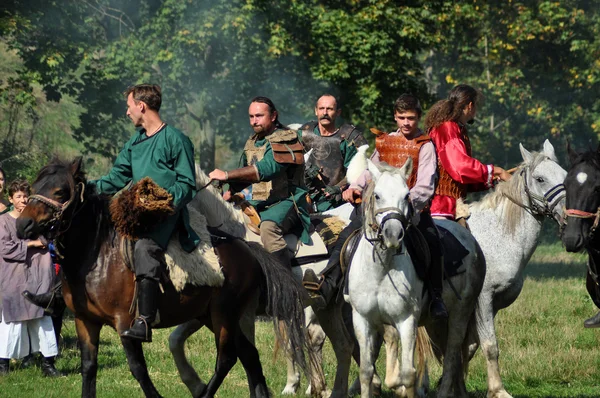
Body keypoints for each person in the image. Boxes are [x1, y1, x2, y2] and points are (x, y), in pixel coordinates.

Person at [303, 94, 448, 319]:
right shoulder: (386, 141)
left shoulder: (425, 146)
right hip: (378, 208)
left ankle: (436, 297)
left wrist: (404, 202)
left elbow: (426, 185)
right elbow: (371, 170)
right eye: (401, 118)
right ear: (395, 118)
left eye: (411, 118)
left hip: (410, 209)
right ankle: (328, 284)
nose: (406, 123)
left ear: (418, 117)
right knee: (347, 234)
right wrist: (356, 187)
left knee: (432, 241)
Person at [92, 84, 199, 342]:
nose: (127, 112)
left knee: (144, 248)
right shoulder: (135, 142)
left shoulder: (176, 139)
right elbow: (118, 176)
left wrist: (162, 201)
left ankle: (145, 320)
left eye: (129, 106)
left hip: (167, 214)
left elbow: (187, 183)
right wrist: (88, 188)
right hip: (138, 212)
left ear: (141, 106)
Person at [209, 96, 310, 269]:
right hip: (260, 202)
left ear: (273, 116)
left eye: (259, 116)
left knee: (269, 229)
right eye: (251, 116)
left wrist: (226, 174)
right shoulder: (253, 141)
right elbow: (243, 175)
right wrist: (229, 192)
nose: (254, 121)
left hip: (289, 201)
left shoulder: (287, 139)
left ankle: (286, 286)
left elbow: (267, 168)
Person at [0, 179, 61, 376]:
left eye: (26, 196)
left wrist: (38, 241)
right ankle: (3, 366)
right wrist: (30, 245)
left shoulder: (38, 220)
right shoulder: (3, 221)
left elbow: (48, 239)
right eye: (18, 196)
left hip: (38, 276)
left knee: (42, 321)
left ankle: (48, 365)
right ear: (11, 199)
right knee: (11, 323)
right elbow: (5, 248)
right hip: (13, 277)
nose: (23, 200)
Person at [424, 84, 511, 222]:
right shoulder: (448, 128)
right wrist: (497, 171)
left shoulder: (455, 128)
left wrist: (490, 179)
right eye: (476, 106)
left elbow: (461, 179)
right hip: (441, 206)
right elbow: (460, 167)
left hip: (452, 205)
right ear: (470, 105)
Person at [299, 94, 367, 212]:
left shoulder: (347, 139)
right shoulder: (304, 134)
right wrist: (304, 171)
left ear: (338, 112)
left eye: (330, 109)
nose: (325, 112)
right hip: (304, 200)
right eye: (321, 108)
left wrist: (339, 188)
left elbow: (356, 173)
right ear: (316, 111)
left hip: (336, 203)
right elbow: (289, 162)